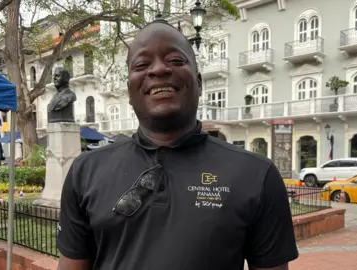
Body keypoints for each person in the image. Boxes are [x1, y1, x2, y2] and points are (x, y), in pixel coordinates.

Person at [57, 21, 298, 270]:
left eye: (175, 60)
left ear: (199, 83)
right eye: (142, 64)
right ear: (129, 91)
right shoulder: (86, 172)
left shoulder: (257, 175)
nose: (159, 69)